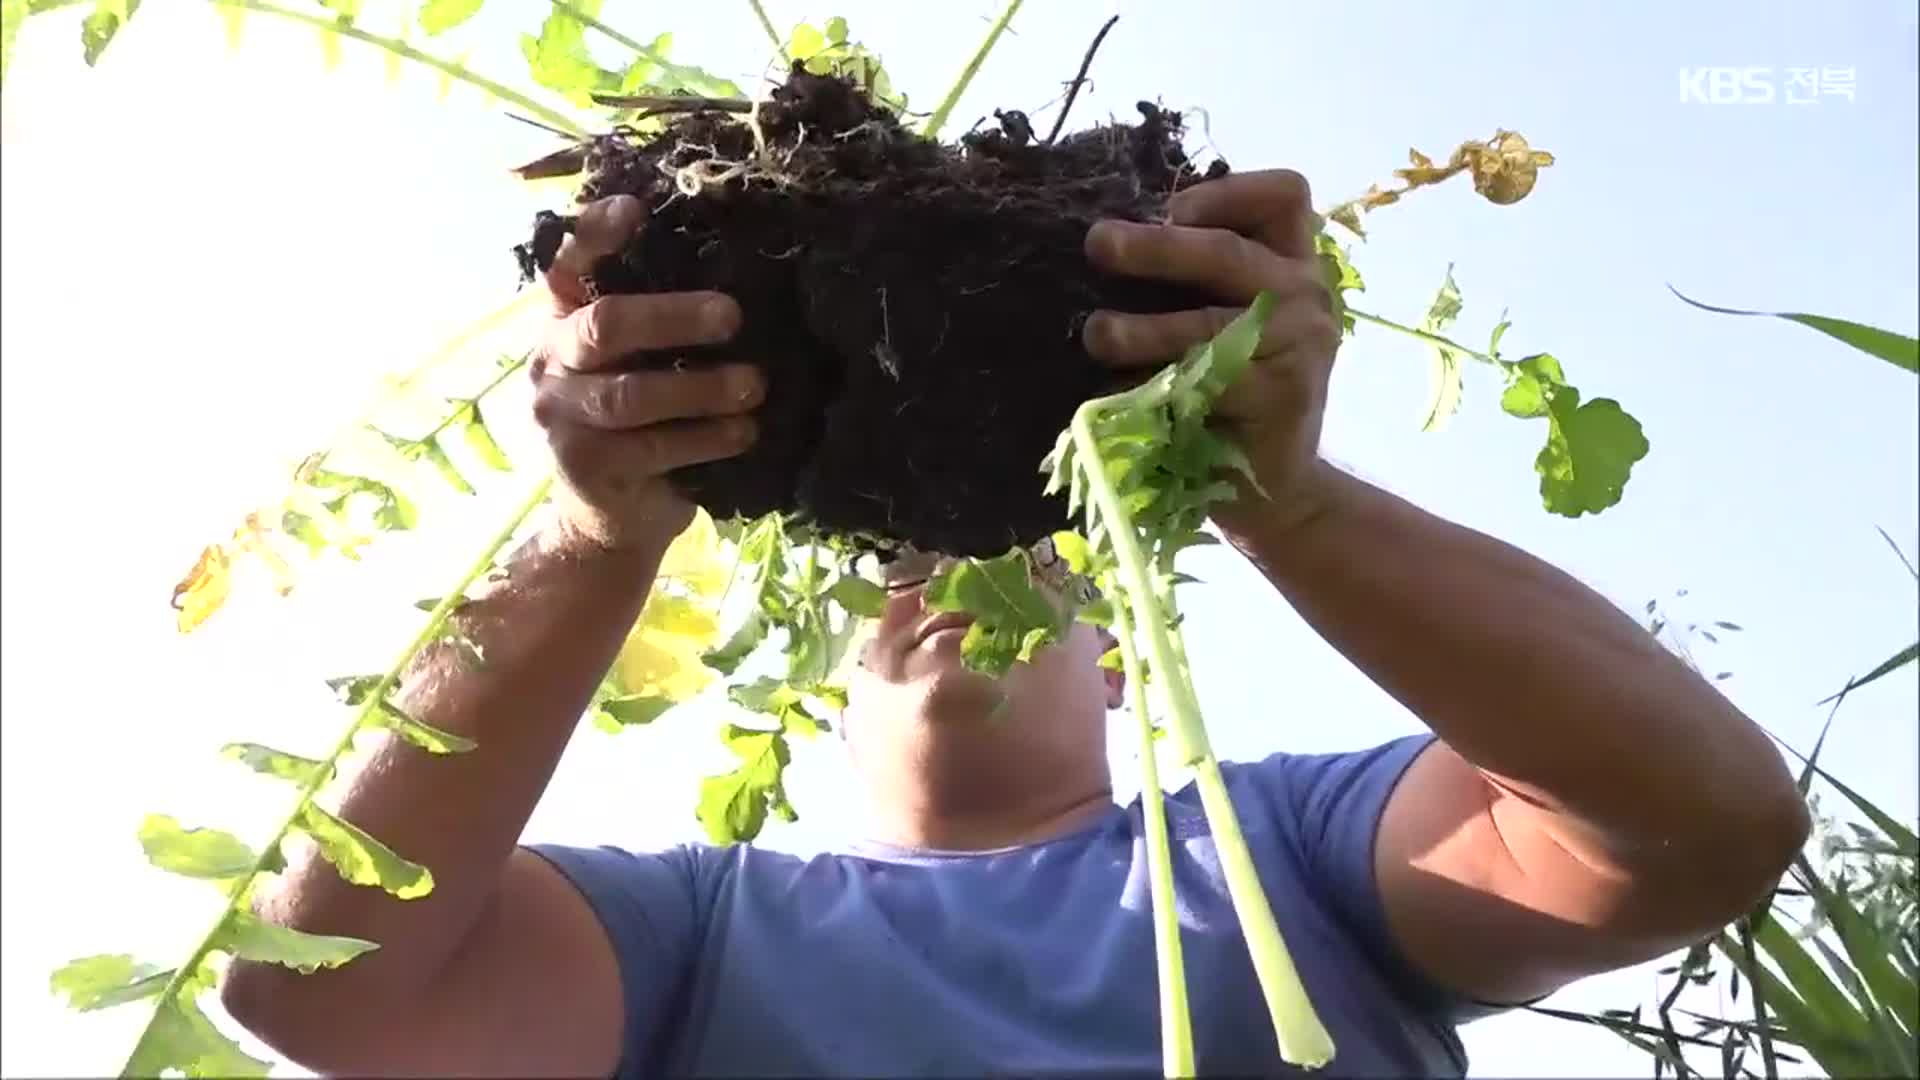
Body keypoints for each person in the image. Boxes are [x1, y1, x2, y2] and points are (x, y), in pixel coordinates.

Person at [221, 170, 1810, 1078]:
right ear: (828, 683)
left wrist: (1282, 497)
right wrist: (589, 535)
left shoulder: (1281, 860)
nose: (941, 578)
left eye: (1018, 570)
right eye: (896, 570)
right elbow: (324, 978)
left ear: (1124, 655)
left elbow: (1697, 820)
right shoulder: (699, 935)